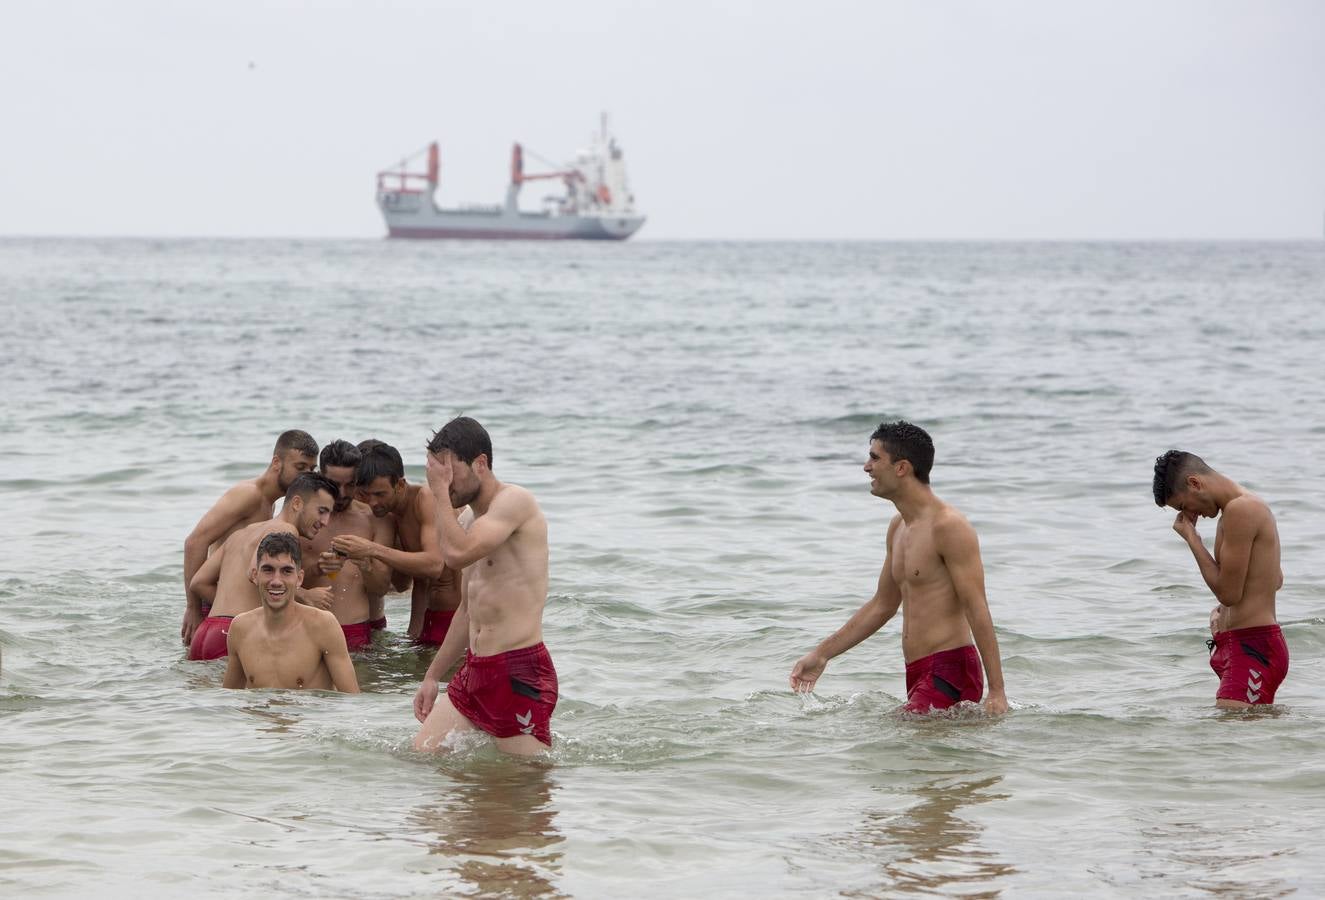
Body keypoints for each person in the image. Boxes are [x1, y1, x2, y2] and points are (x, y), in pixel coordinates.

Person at [790, 421, 1008, 716]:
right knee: (920, 759)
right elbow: (883, 604)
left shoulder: (948, 526)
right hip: (916, 671)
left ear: (902, 468)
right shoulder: (898, 528)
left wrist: (997, 691)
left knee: (897, 743)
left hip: (950, 669)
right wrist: (822, 654)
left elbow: (976, 606)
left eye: (875, 458)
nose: (866, 467)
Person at [412, 417, 556, 756]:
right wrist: (432, 676)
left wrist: (438, 495)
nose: (445, 484)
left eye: (451, 473)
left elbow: (458, 554)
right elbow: (466, 610)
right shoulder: (467, 520)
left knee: (525, 785)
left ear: (480, 463)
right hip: (475, 671)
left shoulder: (515, 501)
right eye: (438, 474)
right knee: (423, 757)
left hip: (518, 672)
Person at [1153, 450, 1288, 707]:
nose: (1188, 514)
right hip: (1245, 645)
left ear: (1194, 483)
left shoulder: (1241, 509)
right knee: (1242, 739)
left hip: (1254, 648)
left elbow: (1229, 593)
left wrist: (1192, 539)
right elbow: (1275, 579)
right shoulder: (1236, 510)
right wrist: (1225, 616)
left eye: (1183, 506)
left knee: (1229, 736)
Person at [181, 430, 318, 645]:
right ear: (276, 462)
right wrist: (193, 608)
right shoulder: (248, 494)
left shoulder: (270, 504)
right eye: (300, 467)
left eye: (312, 469)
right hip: (217, 605)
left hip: (228, 607)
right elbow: (195, 542)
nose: (306, 475)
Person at [188, 473, 338, 660]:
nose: (325, 522)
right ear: (297, 503)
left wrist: (227, 613)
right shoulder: (286, 530)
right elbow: (255, 573)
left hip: (207, 632)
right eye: (322, 511)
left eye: (329, 514)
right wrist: (306, 595)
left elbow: (199, 582)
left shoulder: (243, 533)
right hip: (234, 635)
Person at [332, 441, 462, 645]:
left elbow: (434, 565)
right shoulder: (390, 517)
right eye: (365, 495)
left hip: (455, 615)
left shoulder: (425, 498)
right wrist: (413, 635)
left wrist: (372, 549)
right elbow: (403, 584)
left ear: (400, 484)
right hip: (426, 619)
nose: (373, 503)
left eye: (380, 494)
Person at [222, 531, 360, 693]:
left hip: (309, 717)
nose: (276, 581)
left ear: (299, 578)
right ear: (255, 575)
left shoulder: (322, 625)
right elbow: (229, 701)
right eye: (268, 570)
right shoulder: (240, 628)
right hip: (259, 718)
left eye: (286, 571)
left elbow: (352, 700)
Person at [303, 440, 393, 651]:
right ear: (320, 476)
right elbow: (281, 580)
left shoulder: (375, 520)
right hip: (307, 628)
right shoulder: (301, 516)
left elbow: (380, 588)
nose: (342, 494)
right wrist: (317, 568)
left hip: (356, 632)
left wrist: (365, 561)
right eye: (334, 485)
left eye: (350, 485)